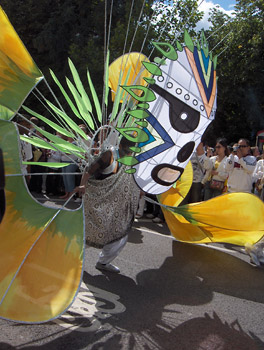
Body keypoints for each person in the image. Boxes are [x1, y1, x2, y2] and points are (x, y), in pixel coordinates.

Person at [75, 136, 140, 273]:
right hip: (99, 199)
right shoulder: (109, 155)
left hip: (118, 204)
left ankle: (103, 262)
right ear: (120, 146)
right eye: (127, 150)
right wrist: (82, 185)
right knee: (93, 231)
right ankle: (72, 255)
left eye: (131, 151)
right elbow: (89, 170)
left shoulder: (132, 157)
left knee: (120, 233)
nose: (129, 153)